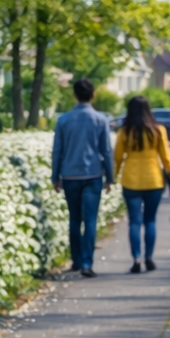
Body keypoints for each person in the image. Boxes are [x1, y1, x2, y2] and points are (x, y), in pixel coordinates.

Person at [51, 78, 114, 277]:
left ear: (74, 95)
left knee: (74, 219)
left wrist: (55, 176)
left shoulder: (63, 120)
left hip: (70, 175)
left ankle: (76, 261)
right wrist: (110, 177)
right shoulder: (100, 119)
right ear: (93, 95)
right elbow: (106, 150)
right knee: (90, 219)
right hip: (93, 174)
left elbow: (57, 150)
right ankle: (87, 262)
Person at [113, 96, 170, 273]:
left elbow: (117, 158)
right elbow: (166, 158)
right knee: (150, 220)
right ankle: (149, 257)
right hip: (154, 180)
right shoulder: (158, 130)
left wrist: (112, 177)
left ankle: (136, 258)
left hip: (131, 180)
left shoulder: (125, 131)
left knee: (134, 221)